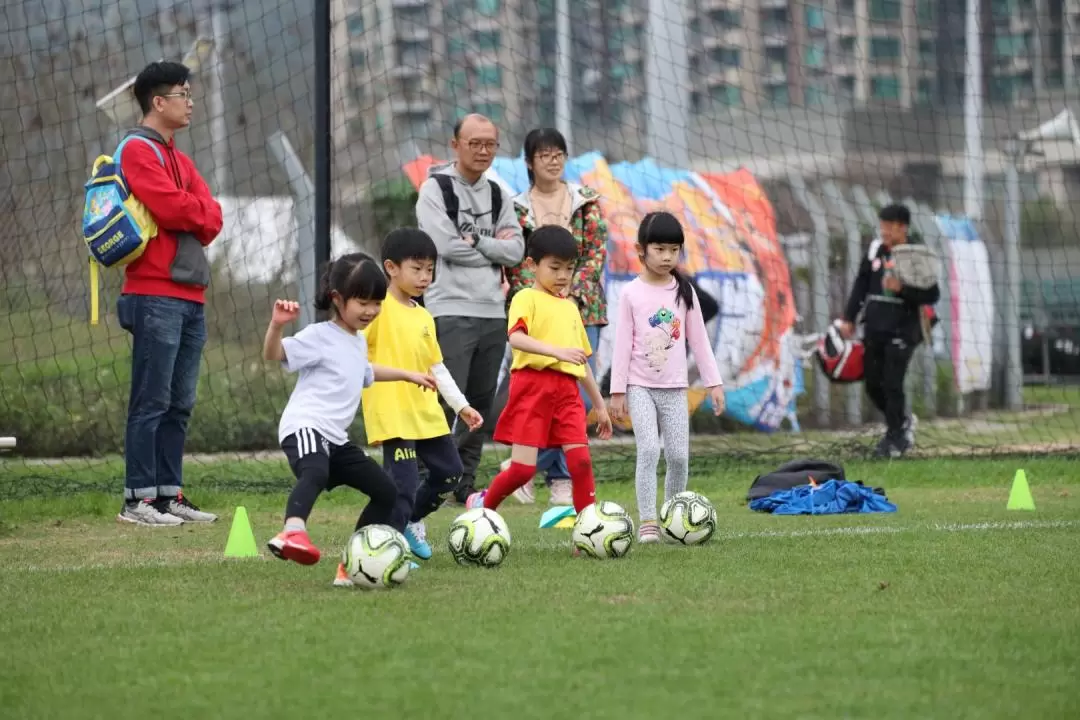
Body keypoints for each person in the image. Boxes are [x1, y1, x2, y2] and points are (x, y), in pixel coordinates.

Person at [261, 254, 437, 587]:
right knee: (315, 470)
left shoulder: (356, 342)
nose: (370, 311)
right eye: (363, 302)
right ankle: (292, 532)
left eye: (377, 303)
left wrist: (408, 374)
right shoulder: (319, 336)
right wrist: (277, 325)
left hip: (335, 438)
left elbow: (367, 372)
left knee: (387, 491)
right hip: (305, 425)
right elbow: (273, 354)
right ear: (338, 298)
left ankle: (351, 564)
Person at [115, 61, 223, 527]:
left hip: (190, 295)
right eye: (183, 94)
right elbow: (172, 207)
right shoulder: (138, 151)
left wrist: (194, 210)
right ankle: (136, 499)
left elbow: (212, 217)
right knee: (151, 400)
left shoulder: (182, 158)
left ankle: (167, 492)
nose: (191, 102)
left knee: (180, 402)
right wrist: (194, 210)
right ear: (158, 102)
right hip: (153, 293)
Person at [415, 113, 525, 505]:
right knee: (448, 398)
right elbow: (444, 246)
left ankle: (464, 485)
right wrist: (492, 250)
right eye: (474, 142)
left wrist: (478, 242)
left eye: (490, 144)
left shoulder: (497, 193)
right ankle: (427, 478)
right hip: (450, 306)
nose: (482, 150)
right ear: (455, 144)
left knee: (480, 401)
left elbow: (516, 250)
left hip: (493, 310)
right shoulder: (435, 189)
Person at [474, 225, 613, 523]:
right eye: (555, 267)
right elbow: (516, 338)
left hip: (567, 393)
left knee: (581, 463)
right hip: (532, 389)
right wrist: (557, 352)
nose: (563, 275)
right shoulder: (525, 298)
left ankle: (587, 529)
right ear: (531, 265)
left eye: (569, 268)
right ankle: (483, 513)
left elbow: (582, 361)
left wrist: (600, 405)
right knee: (522, 470)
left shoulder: (571, 309)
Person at [361, 228, 484, 561]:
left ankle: (413, 518)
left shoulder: (424, 315)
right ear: (391, 267)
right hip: (393, 412)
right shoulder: (376, 309)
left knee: (451, 475)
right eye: (417, 269)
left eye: (430, 269)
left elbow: (437, 367)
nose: (425, 277)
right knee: (401, 484)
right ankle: (391, 550)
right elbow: (354, 353)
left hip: (426, 414)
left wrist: (461, 406)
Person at [501, 127, 608, 506]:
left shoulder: (586, 201)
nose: (553, 159)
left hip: (584, 307)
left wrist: (571, 294)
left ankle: (560, 477)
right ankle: (521, 469)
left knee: (573, 392)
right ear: (529, 162)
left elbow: (595, 251)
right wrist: (536, 295)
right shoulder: (515, 207)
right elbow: (515, 258)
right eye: (544, 154)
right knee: (541, 394)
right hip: (537, 309)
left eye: (559, 153)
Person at [607, 212, 725, 543]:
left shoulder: (684, 291)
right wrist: (618, 393)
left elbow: (699, 340)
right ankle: (647, 521)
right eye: (659, 249)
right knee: (648, 450)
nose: (667, 257)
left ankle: (674, 516)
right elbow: (622, 345)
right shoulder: (631, 293)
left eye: (674, 250)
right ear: (640, 250)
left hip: (675, 390)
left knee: (678, 457)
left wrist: (713, 383)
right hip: (639, 386)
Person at [839, 203, 940, 458]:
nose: (883, 231)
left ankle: (895, 438)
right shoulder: (875, 251)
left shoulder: (917, 255)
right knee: (873, 383)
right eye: (881, 225)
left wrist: (902, 289)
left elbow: (932, 293)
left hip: (904, 329)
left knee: (893, 382)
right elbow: (861, 285)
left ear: (902, 227)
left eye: (888, 226)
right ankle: (902, 422)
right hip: (875, 327)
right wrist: (849, 317)